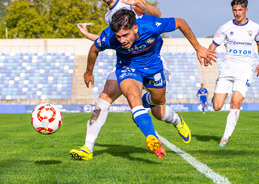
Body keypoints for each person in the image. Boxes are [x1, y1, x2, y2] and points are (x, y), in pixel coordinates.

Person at [82, 9, 215, 159]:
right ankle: (151, 137)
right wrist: (88, 72)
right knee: (132, 96)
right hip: (128, 68)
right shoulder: (110, 36)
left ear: (135, 28)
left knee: (159, 108)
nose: (122, 40)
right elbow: (94, 49)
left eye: (125, 35)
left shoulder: (151, 26)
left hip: (153, 69)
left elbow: (181, 23)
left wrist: (198, 47)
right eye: (118, 37)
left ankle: (177, 120)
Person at [70, 0, 166, 161]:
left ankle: (176, 120)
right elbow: (111, 40)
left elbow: (157, 15)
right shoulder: (109, 16)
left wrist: (139, 3)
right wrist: (90, 36)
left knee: (159, 111)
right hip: (126, 63)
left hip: (149, 59)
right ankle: (87, 148)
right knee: (104, 97)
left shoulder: (127, 0)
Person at [209, 0, 259, 147]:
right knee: (217, 106)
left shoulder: (255, 27)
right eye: (235, 10)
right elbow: (213, 45)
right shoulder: (225, 27)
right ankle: (216, 92)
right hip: (227, 70)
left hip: (244, 71)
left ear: (246, 10)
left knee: (235, 102)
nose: (237, 13)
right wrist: (209, 54)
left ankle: (225, 138)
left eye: (240, 10)